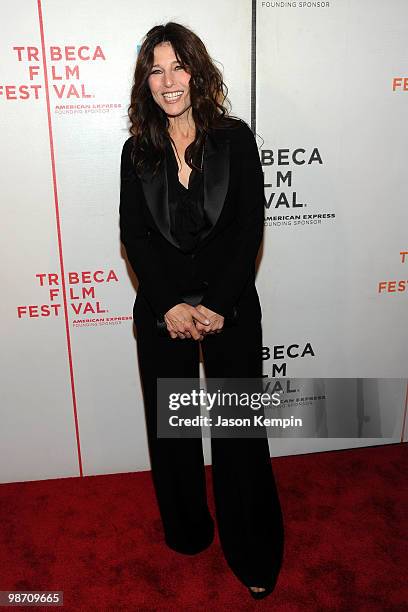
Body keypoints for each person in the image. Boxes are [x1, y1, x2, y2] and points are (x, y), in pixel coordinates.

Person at [119, 22, 284, 600]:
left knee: (240, 433)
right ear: (146, 82)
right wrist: (169, 306)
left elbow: (248, 230)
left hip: (230, 305)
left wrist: (217, 304)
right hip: (163, 312)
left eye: (178, 66)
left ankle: (254, 549)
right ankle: (189, 531)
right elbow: (135, 237)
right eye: (156, 70)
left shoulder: (235, 140)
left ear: (198, 71)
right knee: (175, 433)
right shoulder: (137, 150)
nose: (169, 81)